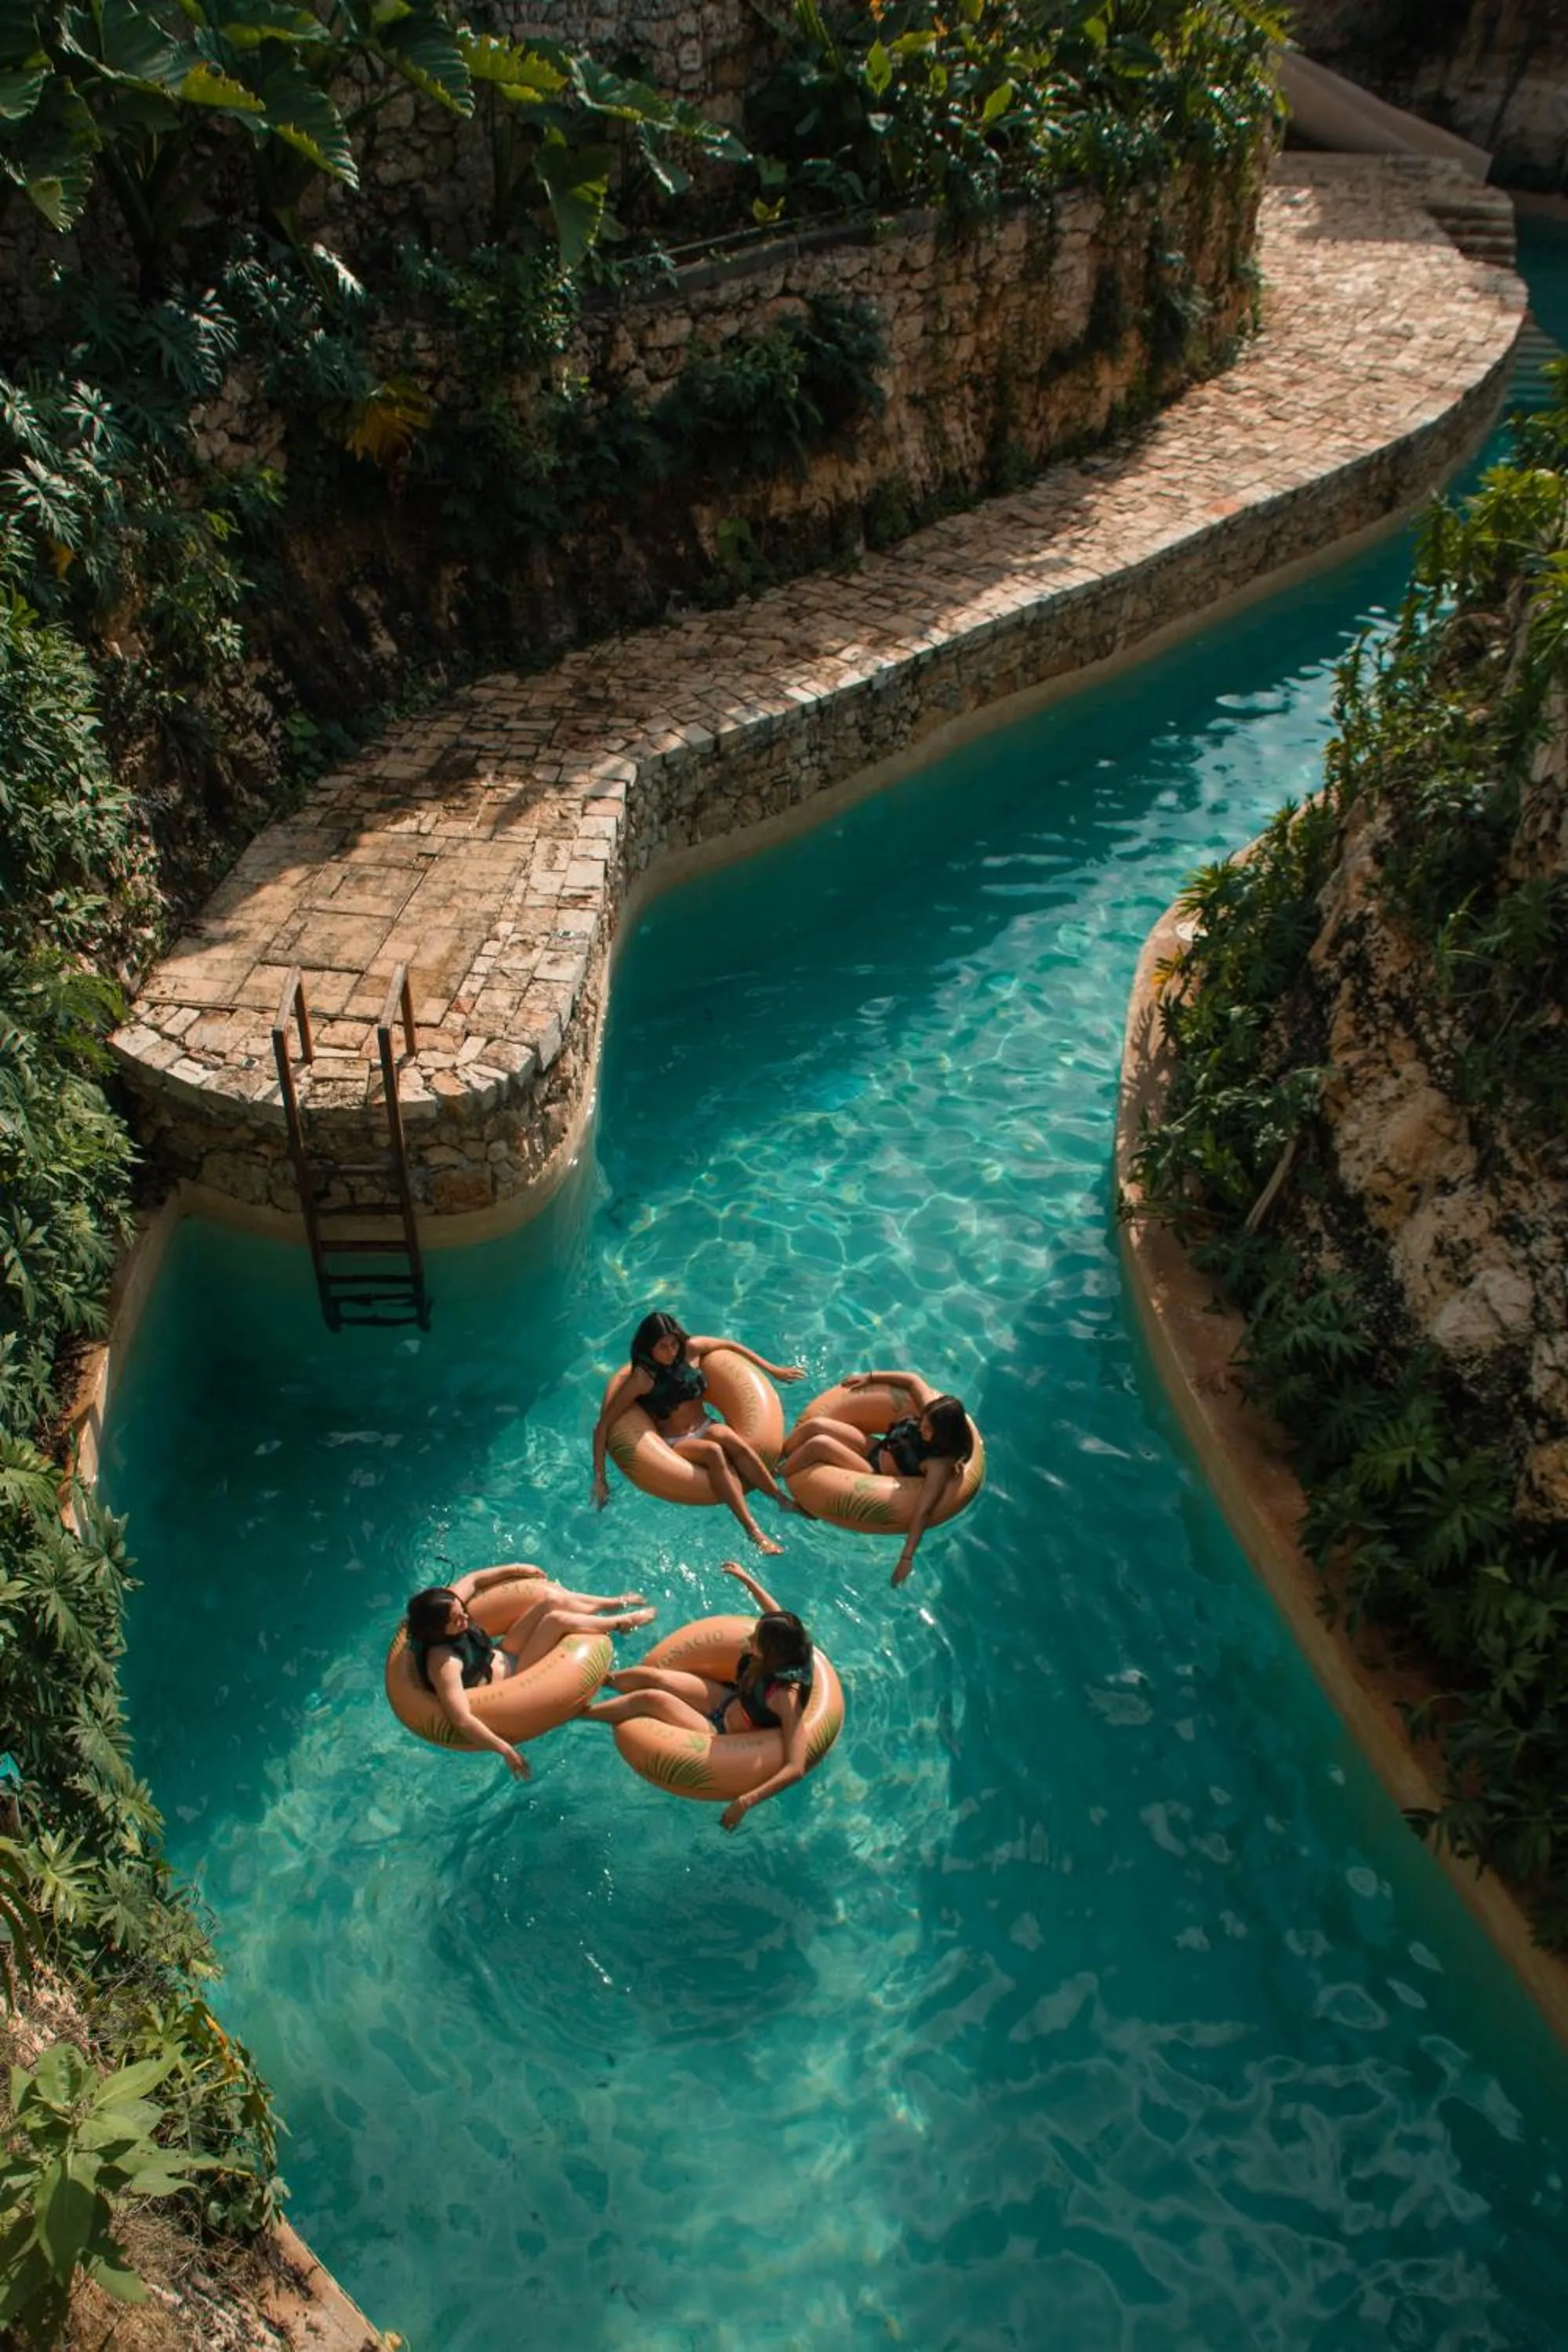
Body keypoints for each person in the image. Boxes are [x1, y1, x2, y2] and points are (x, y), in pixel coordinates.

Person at [583, 1562, 815, 1831]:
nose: (749, 1639)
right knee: (653, 1677)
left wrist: (744, 1802)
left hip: (722, 1733)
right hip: (727, 1701)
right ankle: (594, 1680)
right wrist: (747, 1579)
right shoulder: (791, 1646)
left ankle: (578, 1712)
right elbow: (775, 1611)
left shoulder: (786, 1696)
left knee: (651, 1699)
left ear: (771, 1653)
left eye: (756, 1640)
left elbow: (796, 1766)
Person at [404, 1565, 655, 1780]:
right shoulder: (444, 1662)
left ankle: (612, 1603)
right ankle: (623, 1623)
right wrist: (504, 1750)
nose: (464, 1620)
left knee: (551, 1602)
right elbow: (461, 1718)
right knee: (556, 1620)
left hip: (502, 1653)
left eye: (462, 1613)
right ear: (438, 1631)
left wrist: (516, 1569)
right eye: (456, 1621)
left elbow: (474, 1580)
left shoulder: (450, 1606)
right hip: (514, 1677)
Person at [591, 1311, 804, 1555]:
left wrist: (774, 1370)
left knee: (730, 1439)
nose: (671, 1352)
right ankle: (753, 1531)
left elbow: (730, 1345)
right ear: (648, 1347)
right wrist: (600, 1478)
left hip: (706, 1426)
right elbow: (603, 1426)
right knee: (714, 1452)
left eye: (673, 1344)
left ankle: (781, 1500)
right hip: (677, 1441)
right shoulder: (642, 1379)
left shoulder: (690, 1350)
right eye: (663, 1347)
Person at [779, 1369, 975, 1587]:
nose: (921, 1428)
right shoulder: (931, 1417)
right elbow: (913, 1381)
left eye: (928, 1428)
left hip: (873, 1475)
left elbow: (924, 1511)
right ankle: (777, 1454)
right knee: (816, 1427)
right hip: (875, 1448)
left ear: (944, 1434)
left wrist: (906, 1558)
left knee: (820, 1445)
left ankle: (775, 1475)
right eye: (923, 1422)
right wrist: (871, 1378)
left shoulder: (940, 1464)